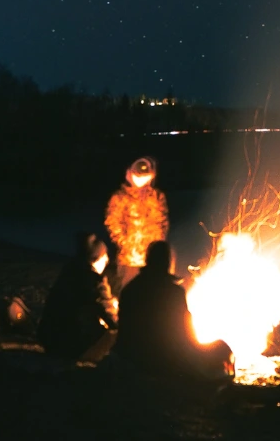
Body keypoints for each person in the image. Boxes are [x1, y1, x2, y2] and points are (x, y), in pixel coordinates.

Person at [113, 240, 234, 383]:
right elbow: (185, 335)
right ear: (168, 263)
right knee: (221, 348)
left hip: (129, 358)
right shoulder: (174, 293)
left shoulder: (130, 289)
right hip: (164, 361)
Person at [37, 232, 118, 362]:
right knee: (116, 336)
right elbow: (106, 314)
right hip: (70, 347)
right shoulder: (93, 280)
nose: (107, 261)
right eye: (106, 257)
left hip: (49, 340)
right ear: (97, 258)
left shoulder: (69, 270)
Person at [105, 157, 169, 291]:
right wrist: (125, 243)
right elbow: (112, 223)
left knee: (152, 293)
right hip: (129, 259)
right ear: (129, 174)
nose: (140, 180)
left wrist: (158, 245)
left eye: (144, 176)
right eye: (137, 176)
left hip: (151, 258)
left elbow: (163, 221)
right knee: (129, 292)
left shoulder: (157, 196)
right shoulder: (119, 197)